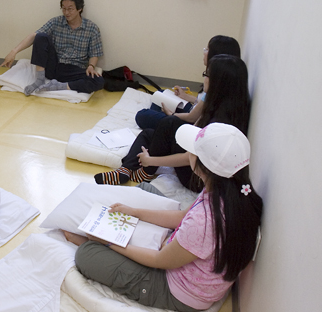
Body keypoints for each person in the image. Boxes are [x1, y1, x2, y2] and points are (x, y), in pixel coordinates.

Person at [65, 123, 263, 312]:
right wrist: (135, 212)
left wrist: (109, 243)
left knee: (87, 254)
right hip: (182, 253)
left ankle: (95, 244)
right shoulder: (227, 189)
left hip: (177, 289)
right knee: (144, 189)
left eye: (191, 151)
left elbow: (160, 259)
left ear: (201, 167)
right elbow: (183, 217)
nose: (188, 154)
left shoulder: (204, 221)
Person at [95, 55, 250, 192]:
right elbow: (193, 125)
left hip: (197, 179)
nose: (204, 78)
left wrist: (151, 160)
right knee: (149, 133)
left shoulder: (221, 121)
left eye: (206, 74)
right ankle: (125, 171)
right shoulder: (227, 104)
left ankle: (146, 171)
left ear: (219, 82)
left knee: (167, 123)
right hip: (195, 162)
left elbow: (189, 157)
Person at [0, 0, 104, 95]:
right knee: (40, 36)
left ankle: (60, 86)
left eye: (70, 9)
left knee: (99, 81)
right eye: (64, 9)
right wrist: (14, 51)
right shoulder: (55, 22)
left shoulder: (92, 28)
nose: (66, 13)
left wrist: (91, 66)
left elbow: (94, 54)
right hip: (54, 66)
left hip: (75, 70)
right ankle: (40, 80)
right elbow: (34, 36)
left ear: (80, 8)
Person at [135, 35, 241, 130]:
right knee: (161, 93)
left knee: (142, 115)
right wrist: (185, 97)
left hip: (190, 123)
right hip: (192, 111)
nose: (204, 52)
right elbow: (204, 103)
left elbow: (192, 117)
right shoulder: (225, 82)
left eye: (207, 49)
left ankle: (160, 124)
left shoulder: (215, 85)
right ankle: (158, 121)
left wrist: (171, 115)